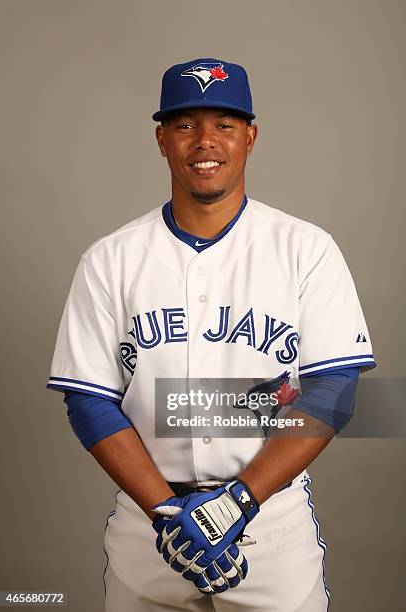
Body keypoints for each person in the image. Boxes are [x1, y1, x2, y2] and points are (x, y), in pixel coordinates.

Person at [47, 58, 376, 611]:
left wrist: (236, 504)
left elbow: (333, 390)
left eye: (224, 124)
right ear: (161, 140)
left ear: (250, 135)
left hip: (269, 526)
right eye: (185, 124)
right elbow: (90, 402)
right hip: (148, 530)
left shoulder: (306, 249)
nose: (206, 141)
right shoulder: (110, 259)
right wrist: (166, 515)